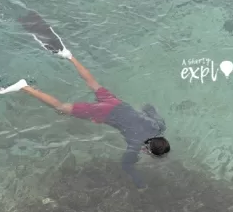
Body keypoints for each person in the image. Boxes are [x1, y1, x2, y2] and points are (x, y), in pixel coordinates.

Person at [20, 53, 169, 188]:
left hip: (118, 104)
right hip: (104, 113)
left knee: (93, 83)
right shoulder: (136, 145)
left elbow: (149, 108)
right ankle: (25, 87)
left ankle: (70, 56)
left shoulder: (159, 126)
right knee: (61, 108)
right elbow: (126, 165)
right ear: (148, 150)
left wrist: (141, 112)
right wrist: (140, 183)